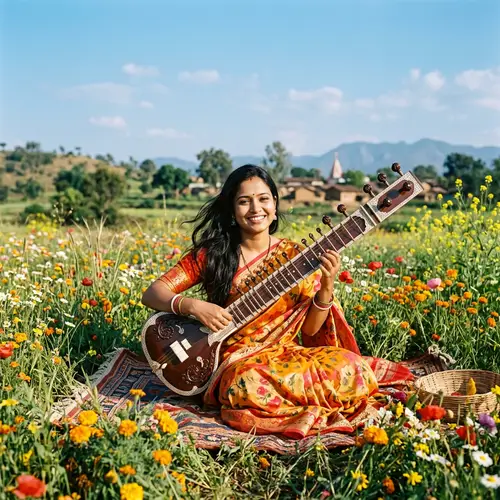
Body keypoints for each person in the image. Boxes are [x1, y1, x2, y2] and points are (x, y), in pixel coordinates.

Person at [142, 164, 413, 439]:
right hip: (236, 360)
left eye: (263, 199)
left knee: (353, 368)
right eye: (244, 201)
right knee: (246, 383)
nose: (255, 209)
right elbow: (153, 293)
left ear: (274, 204)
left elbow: (309, 331)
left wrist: (327, 284)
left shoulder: (296, 256)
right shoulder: (212, 255)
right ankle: (297, 404)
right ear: (232, 210)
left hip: (285, 356)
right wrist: (192, 306)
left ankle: (289, 408)